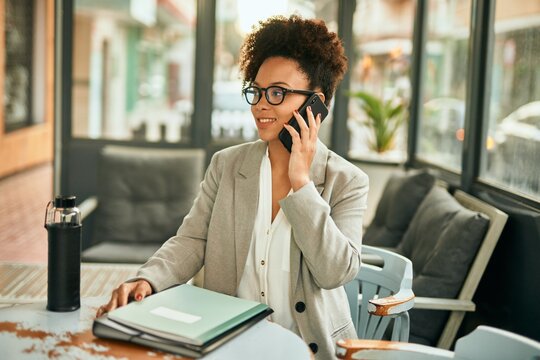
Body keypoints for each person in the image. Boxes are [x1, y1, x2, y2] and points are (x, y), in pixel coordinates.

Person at [97, 15, 369, 359]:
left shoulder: (346, 181)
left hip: (307, 350)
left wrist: (301, 183)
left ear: (315, 104)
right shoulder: (227, 165)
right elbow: (193, 239)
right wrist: (149, 279)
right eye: (256, 91)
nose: (260, 105)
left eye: (278, 93)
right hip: (227, 344)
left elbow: (335, 272)